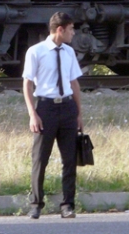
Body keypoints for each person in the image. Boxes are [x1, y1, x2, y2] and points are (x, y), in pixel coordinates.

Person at [22, 12, 83, 220]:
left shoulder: (69, 52)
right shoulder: (36, 52)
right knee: (40, 158)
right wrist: (32, 114)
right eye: (71, 29)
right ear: (60, 29)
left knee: (69, 159)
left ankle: (67, 205)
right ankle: (36, 204)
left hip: (67, 108)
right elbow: (28, 83)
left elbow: (74, 83)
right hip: (46, 108)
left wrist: (78, 114)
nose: (73, 33)